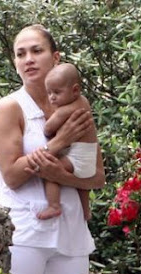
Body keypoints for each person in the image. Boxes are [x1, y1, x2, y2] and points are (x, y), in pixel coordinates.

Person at [0, 24, 105, 274]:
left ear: (56, 58)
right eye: (20, 53)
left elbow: (96, 177)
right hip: (25, 231)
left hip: (72, 232)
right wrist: (60, 143)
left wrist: (61, 175)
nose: (28, 59)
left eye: (36, 51)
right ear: (14, 63)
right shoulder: (9, 108)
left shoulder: (78, 106)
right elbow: (13, 176)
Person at [38, 62, 98, 221]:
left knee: (50, 172)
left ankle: (54, 205)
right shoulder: (84, 102)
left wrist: (47, 123)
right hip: (89, 161)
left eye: (57, 92)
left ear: (75, 90)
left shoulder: (68, 108)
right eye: (49, 93)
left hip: (76, 159)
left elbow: (48, 128)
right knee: (82, 187)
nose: (52, 97)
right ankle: (86, 212)